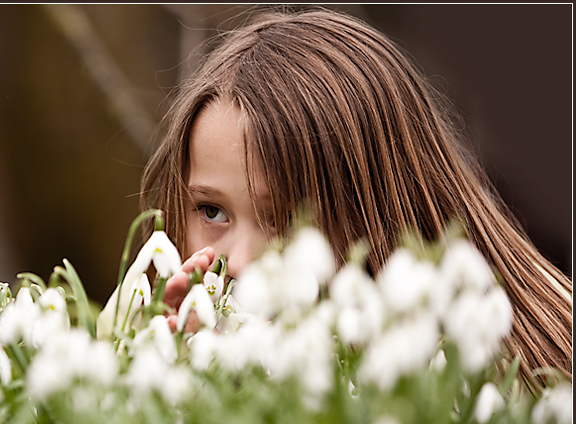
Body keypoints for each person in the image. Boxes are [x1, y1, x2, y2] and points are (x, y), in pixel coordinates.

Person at [136, 7, 572, 392]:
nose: (242, 262)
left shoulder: (488, 390)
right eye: (212, 211)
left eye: (286, 220)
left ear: (377, 211)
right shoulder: (164, 352)